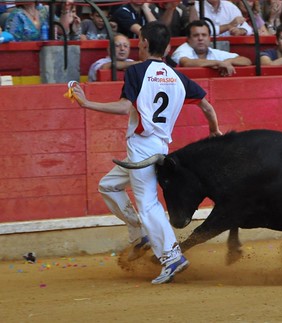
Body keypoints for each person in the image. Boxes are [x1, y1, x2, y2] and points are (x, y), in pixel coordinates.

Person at [71, 21, 222, 285]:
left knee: (148, 204)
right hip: (158, 148)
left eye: (139, 40)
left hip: (142, 149)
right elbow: (207, 107)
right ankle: (139, 233)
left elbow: (122, 107)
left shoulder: (137, 72)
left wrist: (86, 104)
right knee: (108, 186)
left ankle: (171, 256)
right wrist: (214, 131)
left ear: (143, 43)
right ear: (168, 47)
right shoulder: (177, 76)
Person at [171, 20, 252, 76]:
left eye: (204, 35)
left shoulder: (214, 52)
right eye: (196, 35)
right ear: (188, 39)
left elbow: (246, 61)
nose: (200, 38)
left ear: (209, 38)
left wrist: (228, 61)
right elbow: (186, 63)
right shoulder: (182, 49)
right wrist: (218, 63)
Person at [187, 0, 254, 36]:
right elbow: (196, 30)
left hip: (230, 49)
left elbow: (247, 27)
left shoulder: (229, 6)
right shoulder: (195, 7)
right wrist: (228, 26)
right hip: (205, 50)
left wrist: (241, 31)